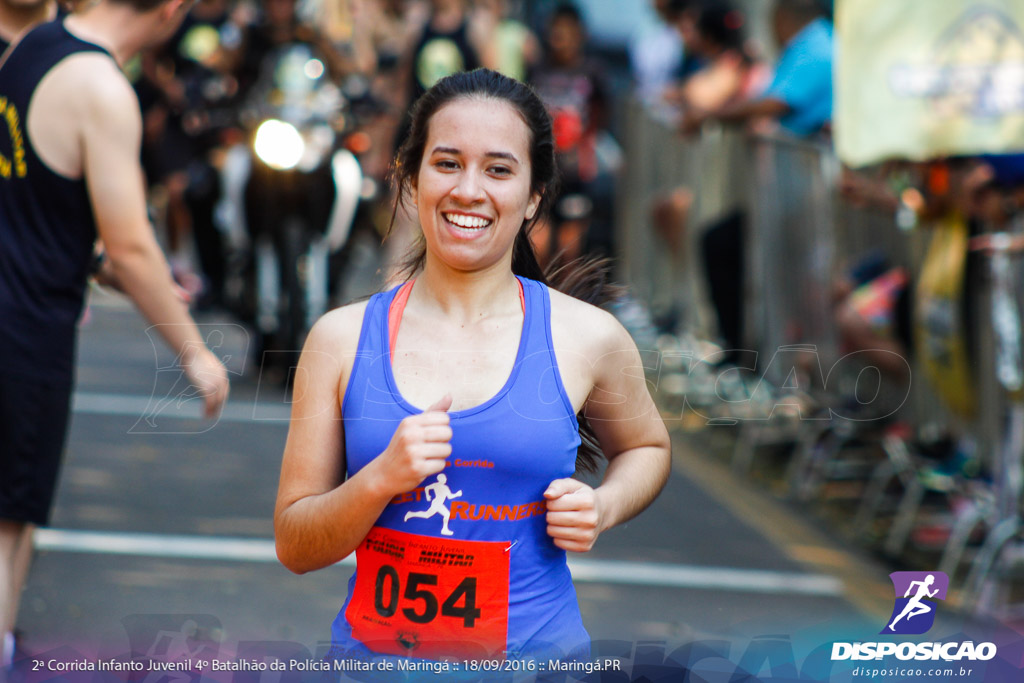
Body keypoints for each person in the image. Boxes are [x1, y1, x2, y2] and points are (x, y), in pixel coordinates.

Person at [274, 68, 671, 663]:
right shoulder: (340, 339)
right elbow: (297, 545)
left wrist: (604, 505)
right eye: (447, 162)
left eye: (499, 169)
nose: (468, 190)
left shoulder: (587, 337)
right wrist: (379, 479)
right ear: (409, 178)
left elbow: (648, 448)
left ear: (535, 194)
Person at [0, 0, 230, 669]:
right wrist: (194, 352)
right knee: (8, 527)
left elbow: (38, 203)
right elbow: (130, 245)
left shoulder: (35, 47)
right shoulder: (103, 88)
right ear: (169, 9)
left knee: (15, 522)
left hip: (22, 312)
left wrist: (108, 267)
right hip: (25, 329)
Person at [682, 0, 832, 138]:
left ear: (782, 19)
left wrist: (709, 115)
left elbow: (777, 103)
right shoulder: (818, 40)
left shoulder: (813, 48)